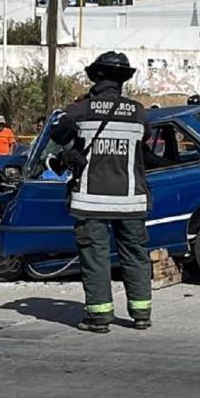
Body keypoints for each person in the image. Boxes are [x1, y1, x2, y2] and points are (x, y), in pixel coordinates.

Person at [51, 51, 152, 334]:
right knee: (135, 254)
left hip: (91, 200)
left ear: (95, 76)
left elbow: (57, 136)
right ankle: (141, 313)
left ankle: (99, 317)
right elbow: (145, 142)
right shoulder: (139, 112)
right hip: (131, 200)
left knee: (95, 256)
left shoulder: (81, 109)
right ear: (123, 80)